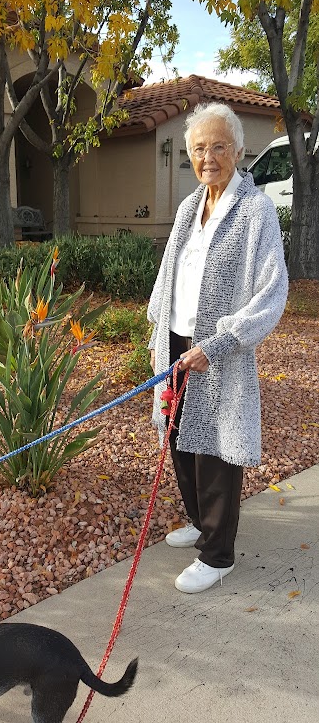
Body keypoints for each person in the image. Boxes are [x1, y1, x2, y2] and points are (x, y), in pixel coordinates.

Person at [147, 102, 289, 594]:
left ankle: (218, 553)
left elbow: (272, 291)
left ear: (238, 150)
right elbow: (169, 274)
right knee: (179, 438)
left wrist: (222, 341)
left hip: (220, 349)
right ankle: (199, 521)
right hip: (177, 340)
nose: (208, 157)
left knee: (216, 451)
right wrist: (157, 334)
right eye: (199, 148)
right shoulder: (190, 207)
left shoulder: (256, 210)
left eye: (219, 147)